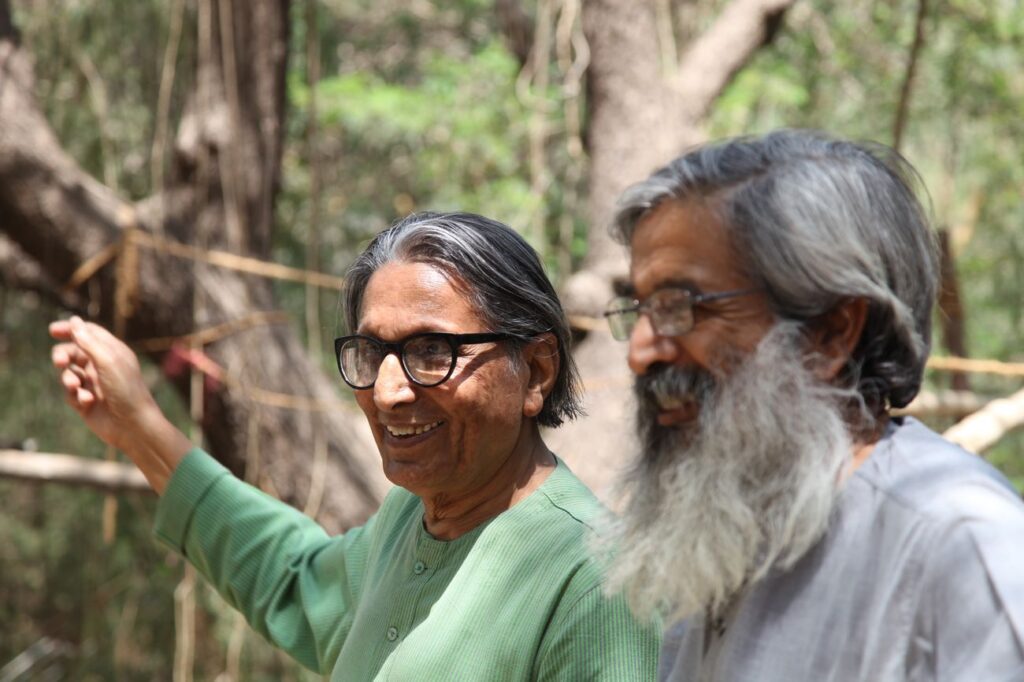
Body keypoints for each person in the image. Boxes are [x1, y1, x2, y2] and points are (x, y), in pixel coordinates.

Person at [51, 212, 660, 680]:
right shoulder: (411, 520)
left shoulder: (595, 586)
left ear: (536, 373)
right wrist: (135, 425)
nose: (390, 391)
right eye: (373, 353)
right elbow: (294, 579)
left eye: (431, 351)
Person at [599, 130, 1024, 681]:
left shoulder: (958, 546)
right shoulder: (729, 547)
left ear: (830, 333)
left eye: (680, 306)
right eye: (641, 311)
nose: (639, 354)